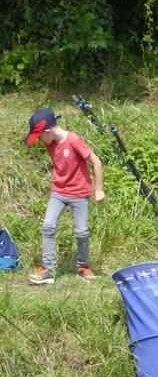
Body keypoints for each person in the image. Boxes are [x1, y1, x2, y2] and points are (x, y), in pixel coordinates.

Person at [25, 108, 105, 284]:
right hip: (58, 192)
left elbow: (96, 162)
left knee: (82, 232)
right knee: (48, 226)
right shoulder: (50, 142)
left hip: (79, 193)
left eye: (39, 136)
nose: (39, 140)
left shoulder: (74, 140)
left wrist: (99, 189)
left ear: (48, 131)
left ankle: (83, 268)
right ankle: (49, 270)